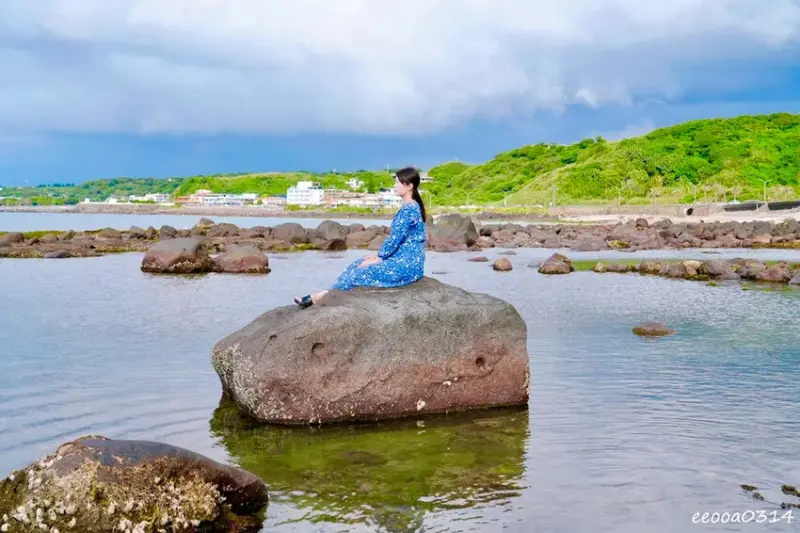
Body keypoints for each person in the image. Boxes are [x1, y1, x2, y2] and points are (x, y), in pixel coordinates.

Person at [294, 166, 427, 308]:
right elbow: (398, 239)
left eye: (398, 183)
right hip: (403, 259)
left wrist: (380, 257)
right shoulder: (411, 207)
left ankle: (320, 296)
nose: (394, 186)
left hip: (407, 264)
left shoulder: (409, 209)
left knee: (360, 272)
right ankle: (328, 293)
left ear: (409, 186)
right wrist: (378, 256)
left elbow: (395, 238)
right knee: (357, 263)